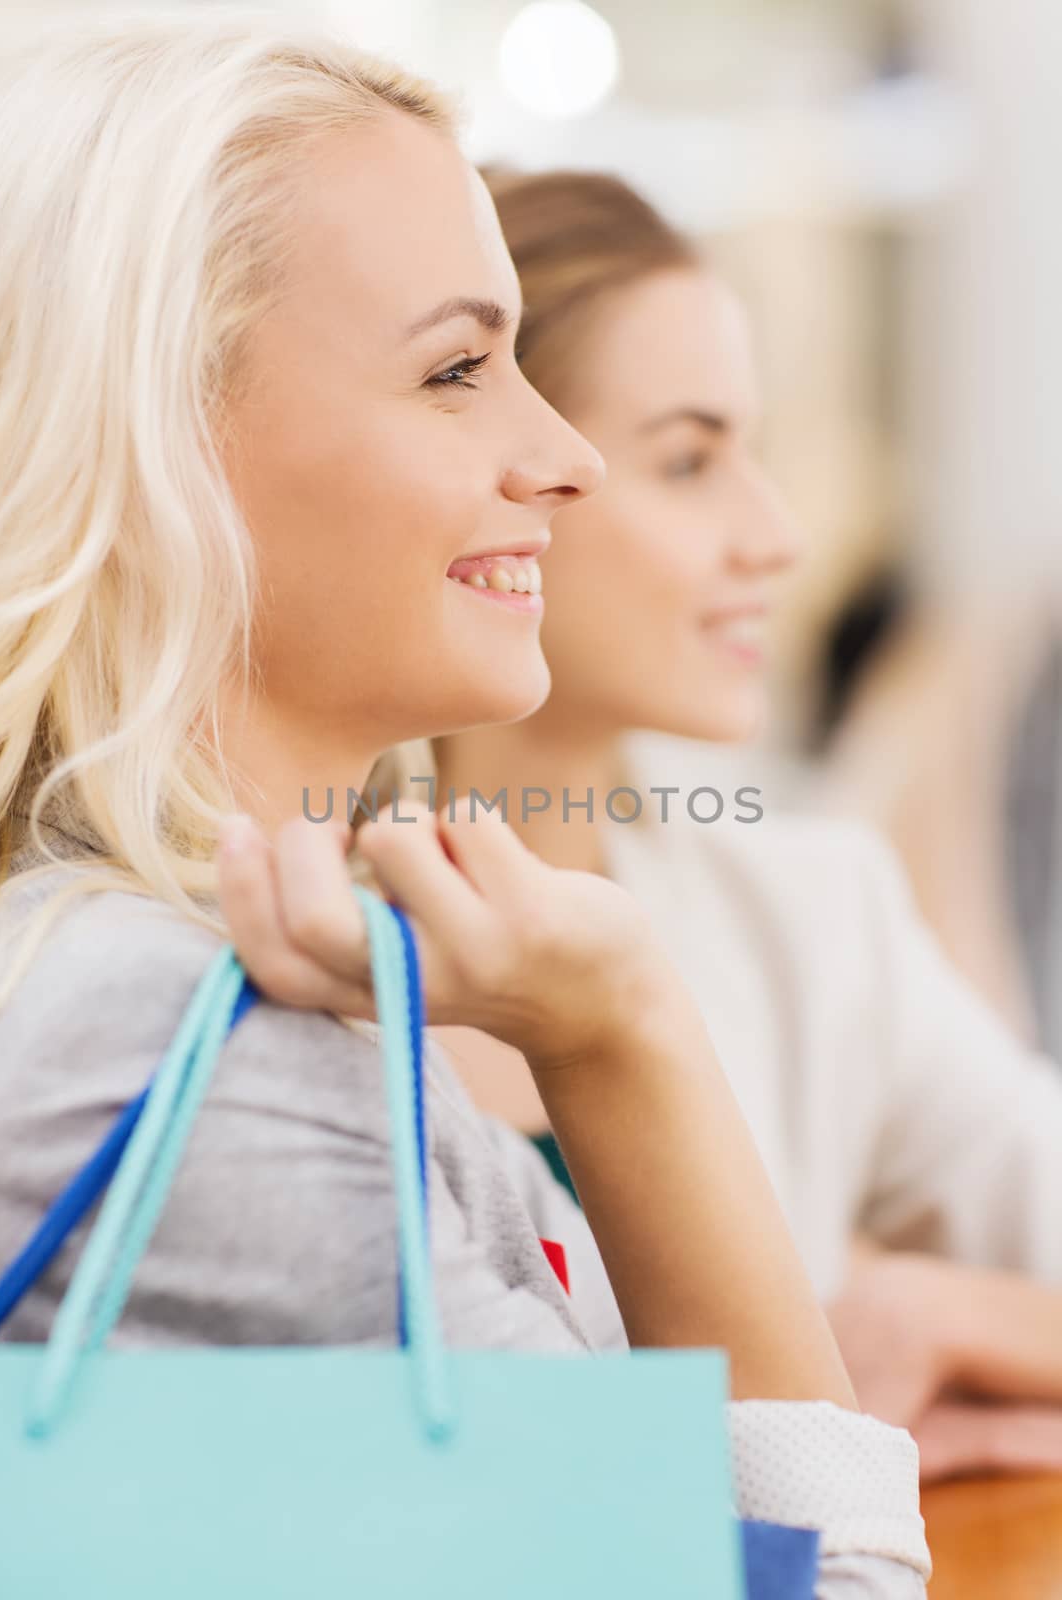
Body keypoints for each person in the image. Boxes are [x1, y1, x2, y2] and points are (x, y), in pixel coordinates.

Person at [0, 15, 929, 1597]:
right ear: (168, 447)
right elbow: (829, 1585)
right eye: (456, 370)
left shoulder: (226, 985)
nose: (563, 455)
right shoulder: (173, 1048)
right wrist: (626, 1027)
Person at [433, 166, 1062, 1483]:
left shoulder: (812, 916)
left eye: (752, 455)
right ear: (506, 480)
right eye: (688, 459)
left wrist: (946, 1314)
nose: (776, 535)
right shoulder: (249, 938)